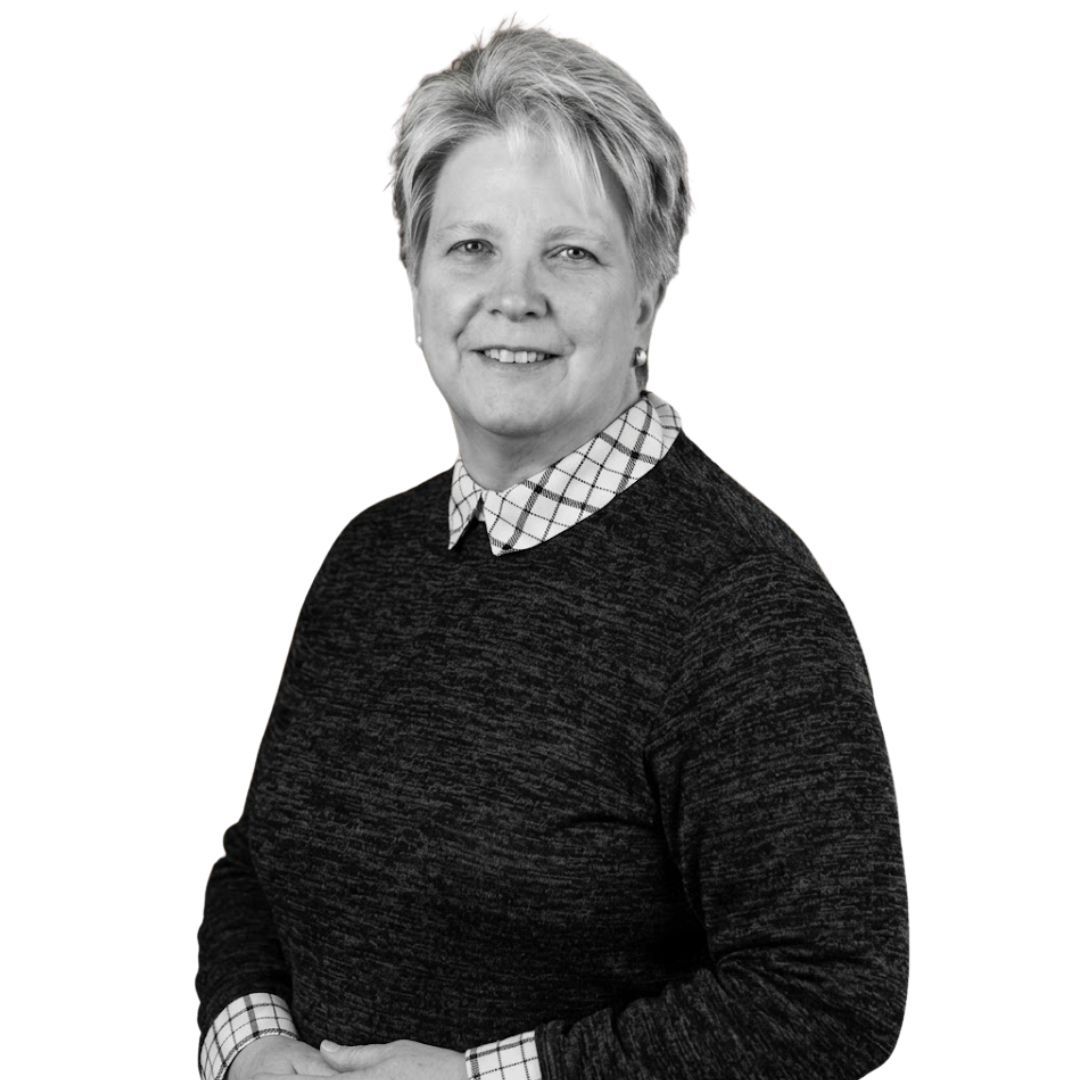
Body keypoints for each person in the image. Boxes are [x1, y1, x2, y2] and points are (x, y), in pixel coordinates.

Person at [196, 22, 908, 1080]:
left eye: (570, 253)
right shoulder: (372, 561)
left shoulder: (743, 604)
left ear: (649, 292)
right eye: (472, 246)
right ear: (416, 273)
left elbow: (829, 989)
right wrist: (252, 1048)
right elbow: (261, 866)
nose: (513, 294)